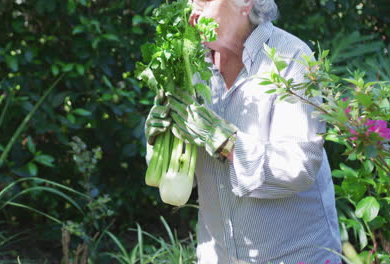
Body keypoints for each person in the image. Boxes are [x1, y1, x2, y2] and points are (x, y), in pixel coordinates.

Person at [145, 0, 342, 263]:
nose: (192, 9)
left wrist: (225, 141)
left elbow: (298, 166)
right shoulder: (188, 62)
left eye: (203, 0)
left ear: (245, 3)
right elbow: (184, 180)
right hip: (217, 255)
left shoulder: (291, 58)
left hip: (295, 254)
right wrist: (161, 141)